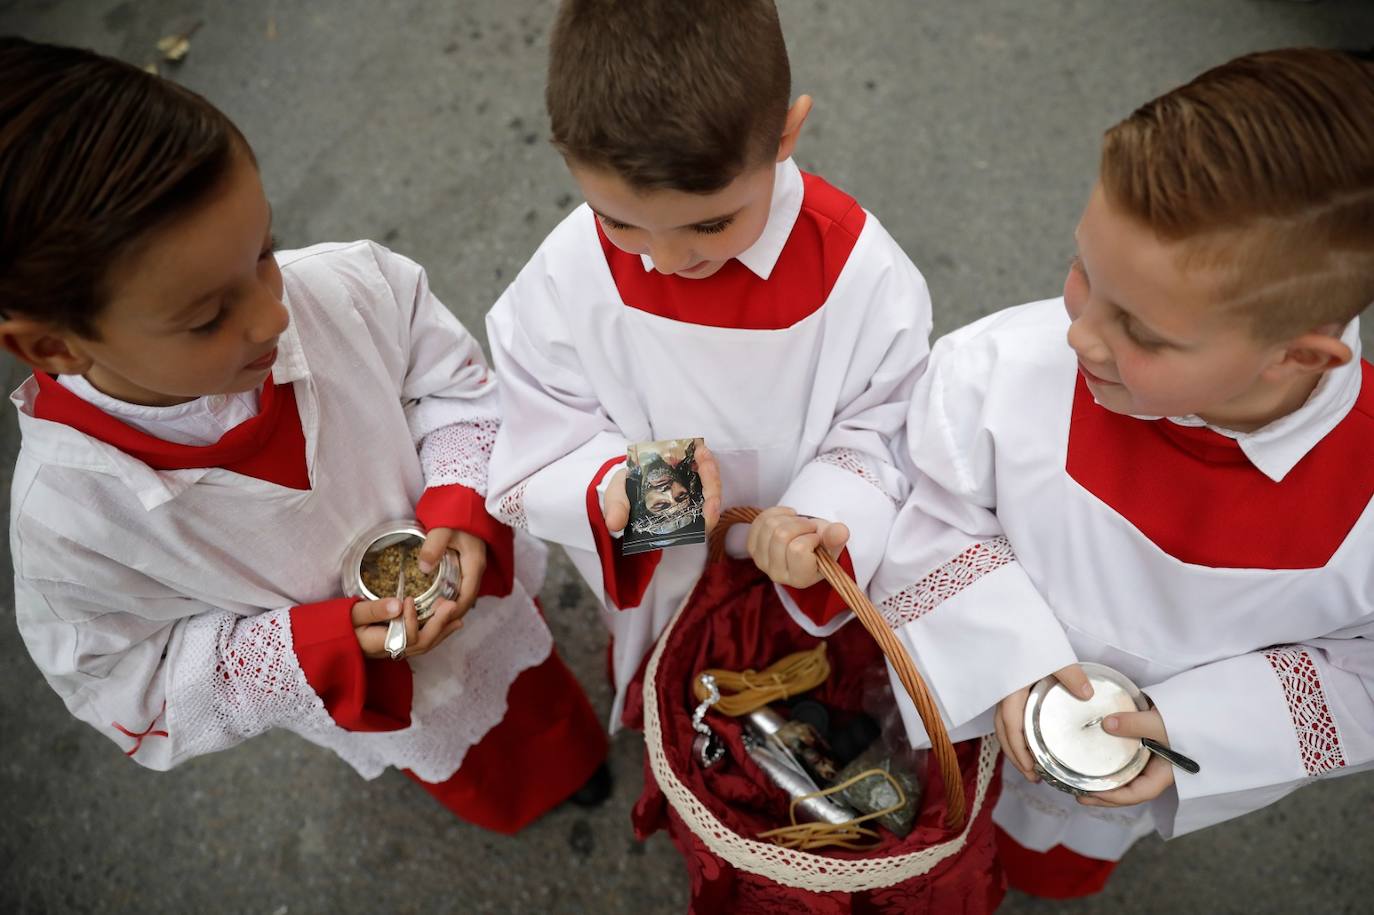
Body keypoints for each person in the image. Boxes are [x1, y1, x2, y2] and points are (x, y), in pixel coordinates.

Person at [1, 37, 607, 835]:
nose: (271, 316)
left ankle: (580, 758)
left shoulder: (344, 286)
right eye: (208, 317)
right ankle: (523, 795)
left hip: (471, 571)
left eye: (263, 251)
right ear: (54, 347)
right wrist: (302, 651)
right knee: (459, 754)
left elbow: (448, 380)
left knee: (534, 680)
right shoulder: (70, 523)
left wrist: (461, 500)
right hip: (360, 679)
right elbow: (122, 679)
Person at [865, 48, 1374, 897]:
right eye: (1083, 272)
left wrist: (1192, 727)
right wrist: (1001, 653)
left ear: (1299, 355)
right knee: (930, 817)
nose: (1078, 336)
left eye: (1139, 329)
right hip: (965, 694)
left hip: (1129, 764)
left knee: (1047, 858)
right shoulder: (1004, 370)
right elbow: (934, 503)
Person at [485, 0, 932, 726]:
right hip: (663, 578)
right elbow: (538, 430)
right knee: (677, 687)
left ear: (786, 132)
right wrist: (634, 490)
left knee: (805, 703)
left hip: (797, 563)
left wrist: (823, 520)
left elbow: (885, 424)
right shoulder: (572, 271)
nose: (666, 259)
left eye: (711, 223)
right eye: (620, 221)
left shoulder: (858, 271)